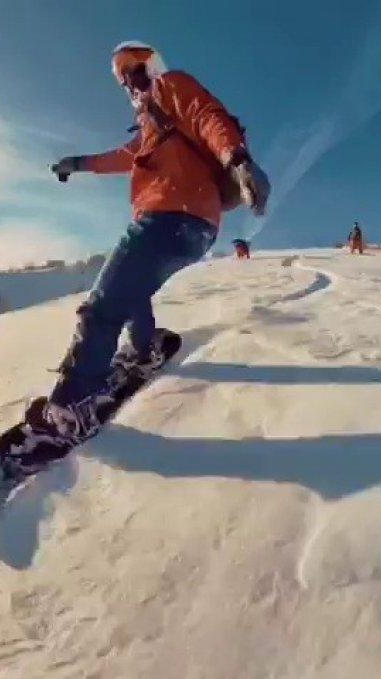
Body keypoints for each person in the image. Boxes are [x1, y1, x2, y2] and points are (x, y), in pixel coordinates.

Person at [43, 41, 270, 444]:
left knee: (102, 306)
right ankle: (144, 346)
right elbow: (120, 157)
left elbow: (207, 116)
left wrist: (238, 159)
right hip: (195, 228)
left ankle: (72, 406)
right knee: (135, 287)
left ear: (150, 66)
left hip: (171, 215)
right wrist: (76, 164)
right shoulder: (152, 127)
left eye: (131, 73)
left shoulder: (170, 86)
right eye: (122, 81)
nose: (128, 86)